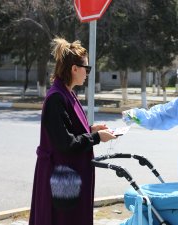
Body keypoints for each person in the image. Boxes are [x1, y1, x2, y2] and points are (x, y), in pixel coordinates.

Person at [29, 37, 116, 225]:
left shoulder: (67, 92)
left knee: (73, 218)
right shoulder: (56, 98)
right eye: (87, 68)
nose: (88, 73)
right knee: (63, 220)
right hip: (61, 177)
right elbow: (65, 143)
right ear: (74, 69)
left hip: (69, 174)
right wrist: (96, 137)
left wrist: (91, 129)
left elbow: (70, 130)